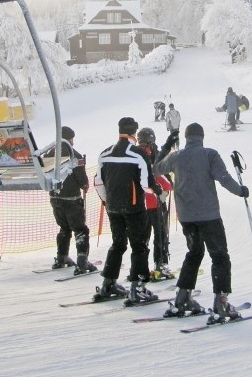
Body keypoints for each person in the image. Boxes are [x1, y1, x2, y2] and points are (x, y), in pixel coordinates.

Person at [154, 123, 249, 321]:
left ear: (187, 138)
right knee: (220, 256)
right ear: (201, 137)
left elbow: (155, 168)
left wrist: (165, 147)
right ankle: (221, 304)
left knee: (194, 253)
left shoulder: (176, 156)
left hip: (187, 218)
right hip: (209, 216)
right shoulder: (209, 154)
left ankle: (182, 298)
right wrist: (241, 191)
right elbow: (223, 178)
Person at [94, 117, 159, 303]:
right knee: (139, 245)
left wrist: (108, 201)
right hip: (133, 207)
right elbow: (147, 185)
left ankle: (109, 283)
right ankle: (138, 287)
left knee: (118, 243)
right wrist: (157, 190)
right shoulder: (138, 153)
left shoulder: (105, 153)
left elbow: (98, 182)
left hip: (113, 207)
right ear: (134, 133)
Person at [44, 126, 97, 274]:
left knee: (64, 228)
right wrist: (85, 184)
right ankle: (82, 261)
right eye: (72, 138)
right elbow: (81, 178)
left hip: (55, 197)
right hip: (72, 198)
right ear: (69, 138)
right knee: (80, 229)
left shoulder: (49, 153)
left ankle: (62, 257)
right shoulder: (75, 155)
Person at [136, 127, 173, 279]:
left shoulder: (133, 153)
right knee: (160, 235)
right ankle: (160, 264)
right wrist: (168, 187)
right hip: (155, 202)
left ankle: (139, 267)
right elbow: (162, 178)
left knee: (142, 238)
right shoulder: (152, 155)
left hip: (138, 205)